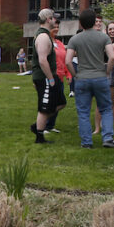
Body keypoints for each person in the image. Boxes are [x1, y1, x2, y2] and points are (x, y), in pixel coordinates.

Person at [65, 8, 114, 149]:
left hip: (82, 78)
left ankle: (86, 142)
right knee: (106, 108)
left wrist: (75, 75)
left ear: (81, 23)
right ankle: (107, 138)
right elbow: (112, 57)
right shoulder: (103, 37)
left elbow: (68, 61)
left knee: (83, 112)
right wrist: (107, 72)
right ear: (95, 21)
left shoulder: (74, 39)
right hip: (100, 77)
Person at [29, 9, 67, 144]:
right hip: (45, 77)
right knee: (45, 108)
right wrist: (50, 79)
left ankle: (37, 125)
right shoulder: (43, 37)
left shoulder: (46, 35)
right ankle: (39, 136)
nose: (55, 21)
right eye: (53, 18)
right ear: (48, 20)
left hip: (49, 76)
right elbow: (42, 60)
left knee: (61, 102)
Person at [94, 21, 114, 135]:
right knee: (99, 102)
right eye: (110, 29)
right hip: (101, 70)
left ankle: (108, 126)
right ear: (107, 30)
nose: (112, 31)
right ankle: (97, 128)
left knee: (110, 102)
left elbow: (108, 49)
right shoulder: (103, 40)